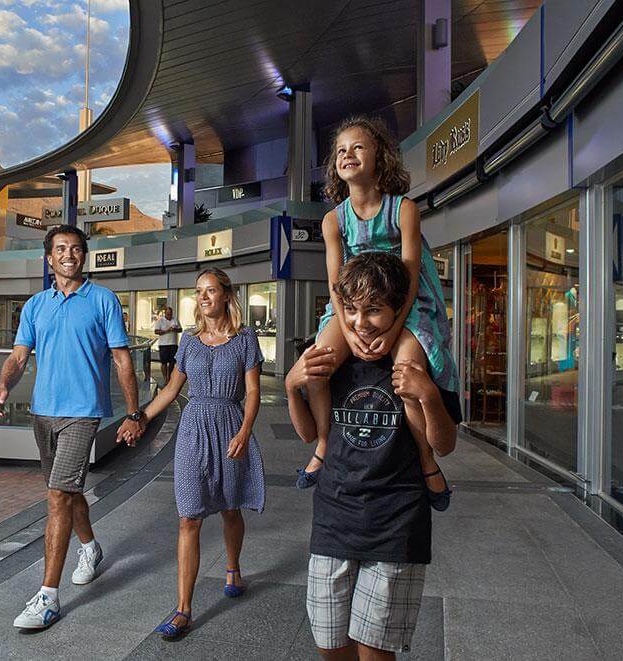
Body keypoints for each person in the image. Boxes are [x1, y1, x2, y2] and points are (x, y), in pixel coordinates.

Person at [286, 252, 461, 659]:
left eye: (374, 311)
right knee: (330, 646)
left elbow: (446, 442)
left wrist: (429, 396)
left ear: (400, 311)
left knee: (375, 652)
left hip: (396, 525)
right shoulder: (332, 365)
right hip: (333, 520)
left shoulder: (418, 363)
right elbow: (308, 432)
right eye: (350, 310)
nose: (360, 323)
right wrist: (295, 384)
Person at [0, 224, 146, 631]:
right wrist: (4, 385)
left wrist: (134, 413)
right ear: (49, 258)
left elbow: (122, 359)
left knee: (58, 495)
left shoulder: (103, 300)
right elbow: (19, 355)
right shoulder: (36, 305)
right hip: (43, 413)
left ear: (84, 256)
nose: (69, 255)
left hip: (83, 412)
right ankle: (90, 547)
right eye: (60, 249)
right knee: (66, 492)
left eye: (76, 249)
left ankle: (48, 597)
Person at [298, 116, 459, 513]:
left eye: (357, 147)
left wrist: (395, 330)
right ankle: (322, 442)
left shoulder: (403, 209)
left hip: (405, 302)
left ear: (379, 156)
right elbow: (336, 284)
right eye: (340, 150)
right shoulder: (333, 220)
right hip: (351, 303)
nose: (347, 155)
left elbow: (409, 273)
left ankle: (426, 458)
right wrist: (350, 333)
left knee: (407, 370)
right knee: (318, 361)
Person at [122, 268, 265, 640]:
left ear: (226, 296)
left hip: (230, 425)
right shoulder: (188, 340)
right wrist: (139, 417)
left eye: (210, 290)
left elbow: (252, 392)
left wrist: (246, 431)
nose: (203, 297)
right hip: (193, 429)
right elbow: (170, 390)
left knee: (230, 507)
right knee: (189, 517)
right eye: (199, 291)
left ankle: (232, 567)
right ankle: (183, 609)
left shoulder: (245, 338)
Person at [153, 306, 182, 383]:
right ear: (165, 313)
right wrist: (167, 330)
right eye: (168, 314)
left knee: (172, 362)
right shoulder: (160, 320)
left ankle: (169, 375)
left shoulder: (175, 320)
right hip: (163, 344)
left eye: (170, 314)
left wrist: (174, 329)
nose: (169, 315)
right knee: (164, 362)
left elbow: (180, 329)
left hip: (173, 344)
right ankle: (165, 377)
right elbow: (156, 331)